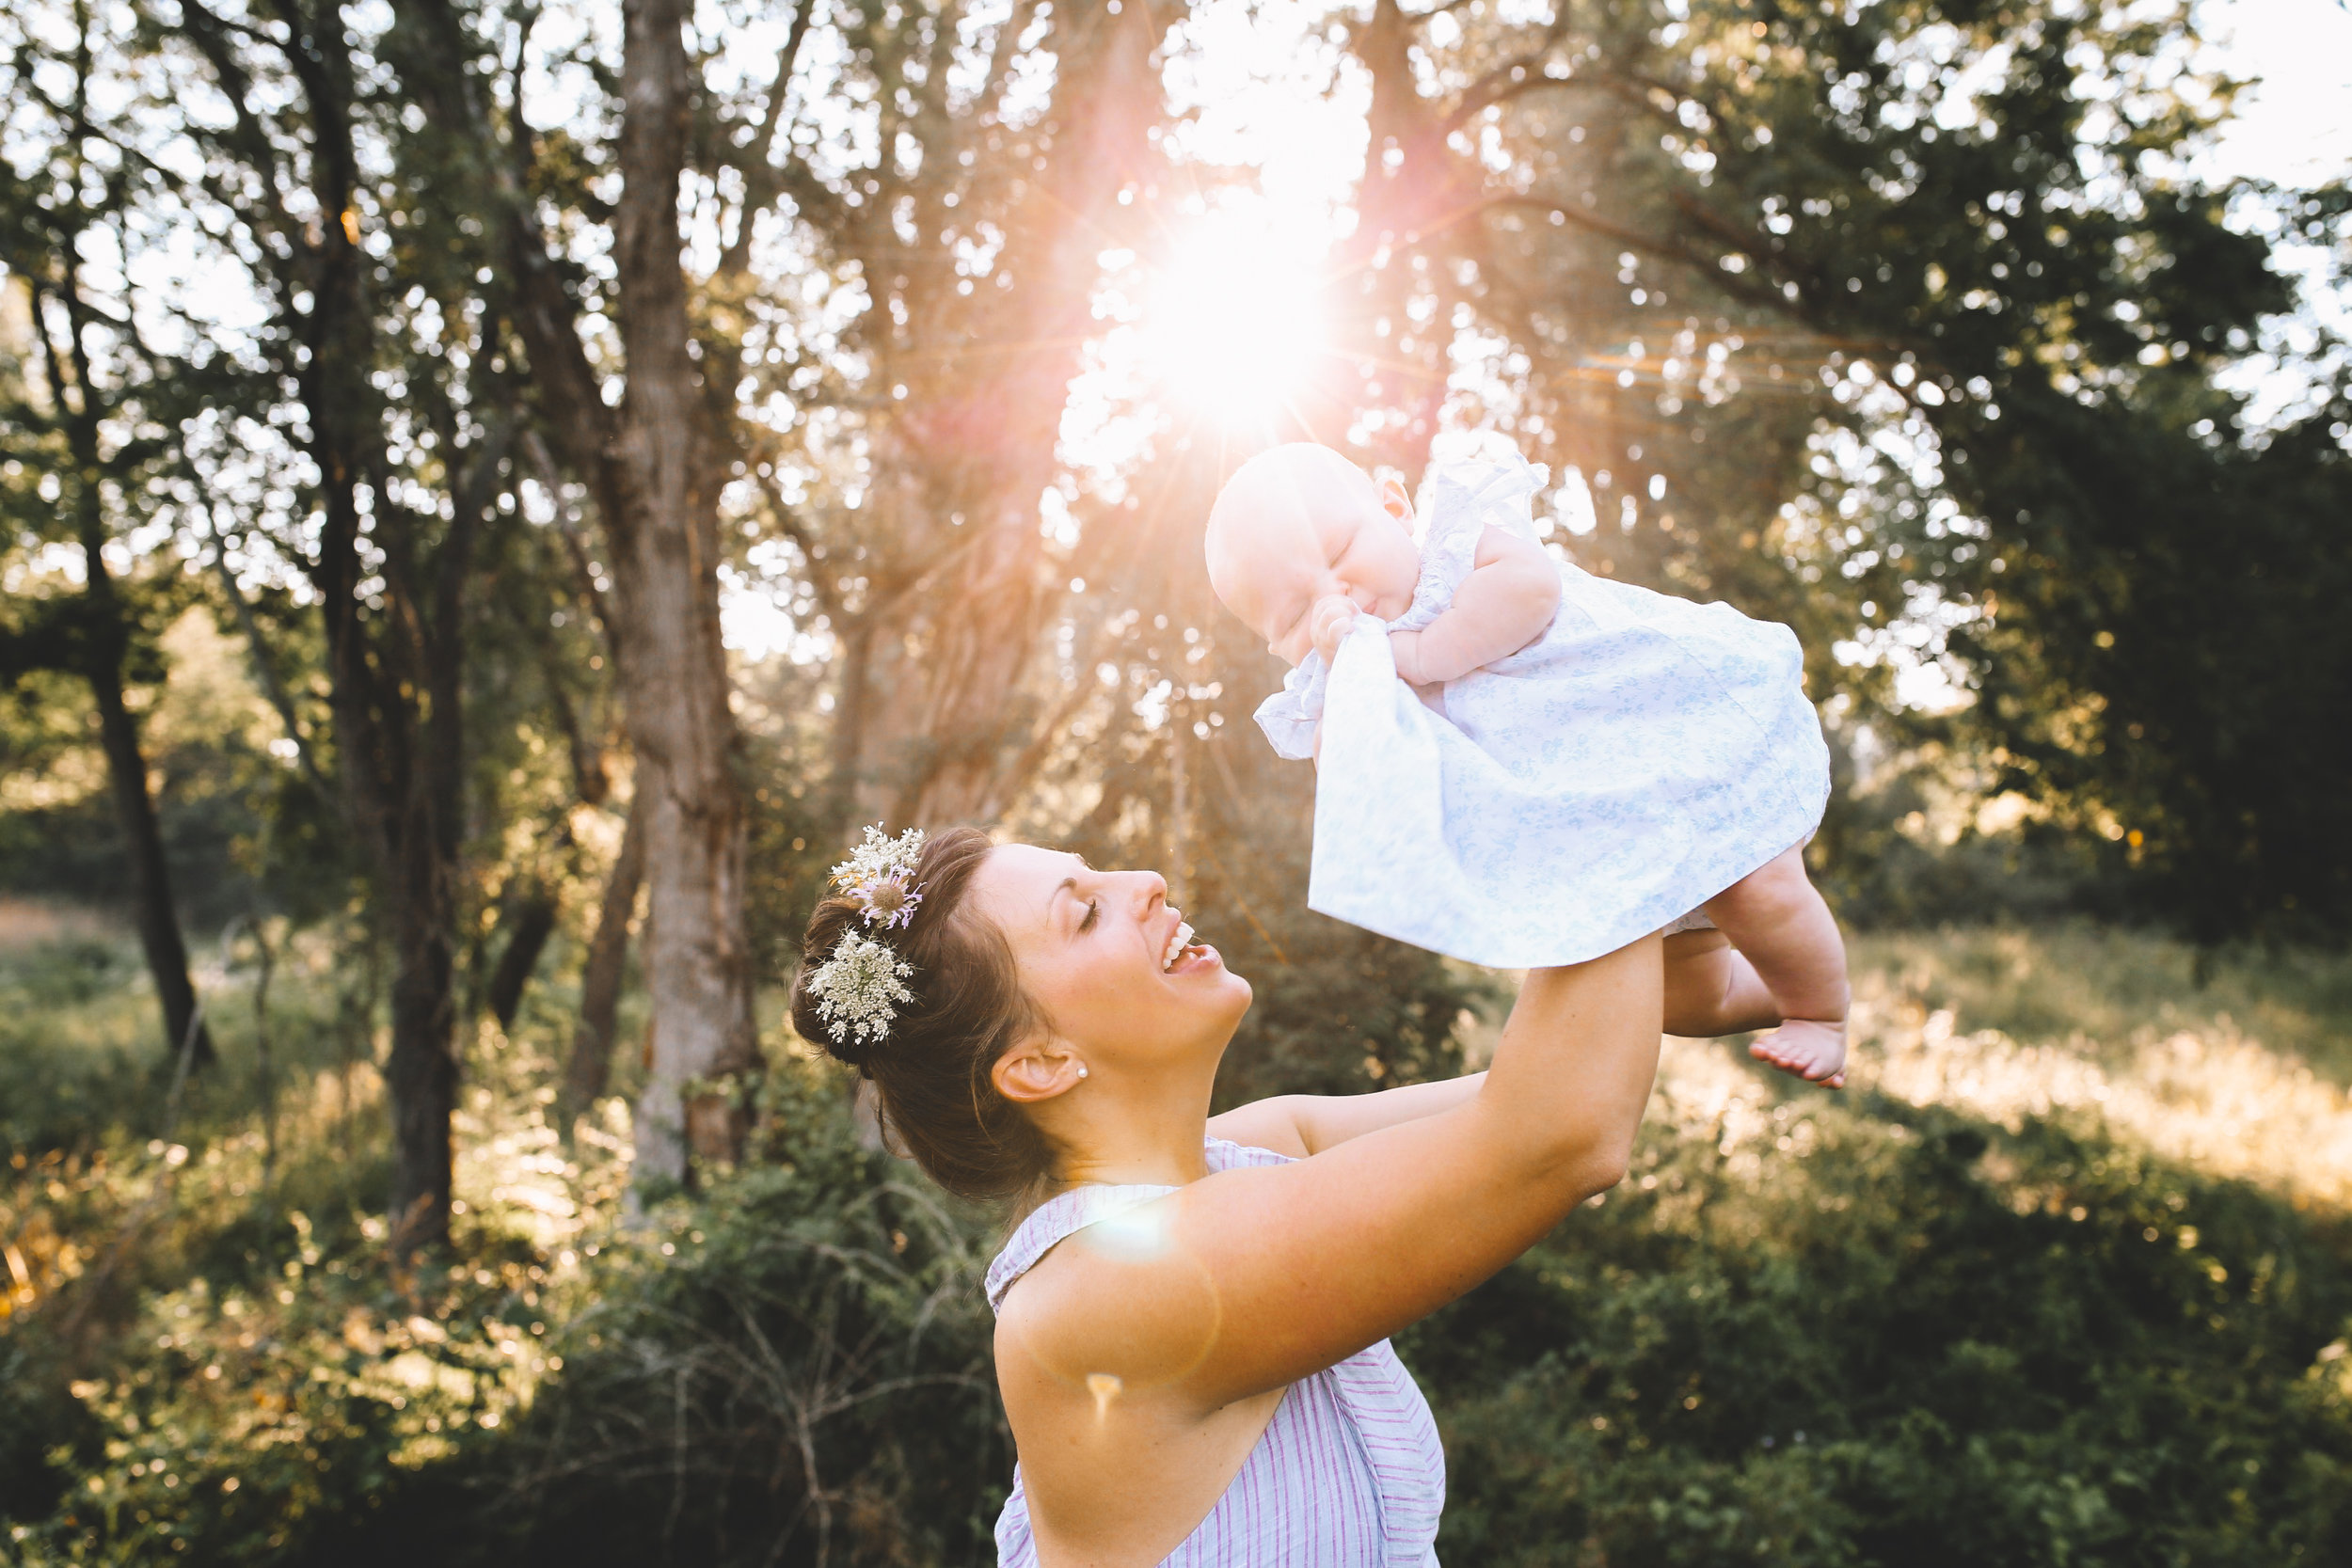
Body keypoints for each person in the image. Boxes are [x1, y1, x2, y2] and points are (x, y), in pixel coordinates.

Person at [792, 824, 1666, 1566]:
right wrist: (1590, 781)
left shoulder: (1261, 1148)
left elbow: (1573, 1075)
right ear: (1041, 1064)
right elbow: (1559, 1132)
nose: (1146, 882)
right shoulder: (1101, 1296)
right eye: (1086, 911)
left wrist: (1711, 931)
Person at [1203, 443, 1849, 1086]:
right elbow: (1353, 772)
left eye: (1338, 554)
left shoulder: (1457, 544)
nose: (1332, 596)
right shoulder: (1354, 677)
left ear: (1394, 507)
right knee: (1683, 998)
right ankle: (1781, 980)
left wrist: (1423, 652)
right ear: (1277, 645)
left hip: (1679, 738)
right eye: (1294, 613)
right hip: (1619, 825)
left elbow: (1531, 589)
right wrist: (1353, 686)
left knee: (1755, 890)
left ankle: (1820, 1011)